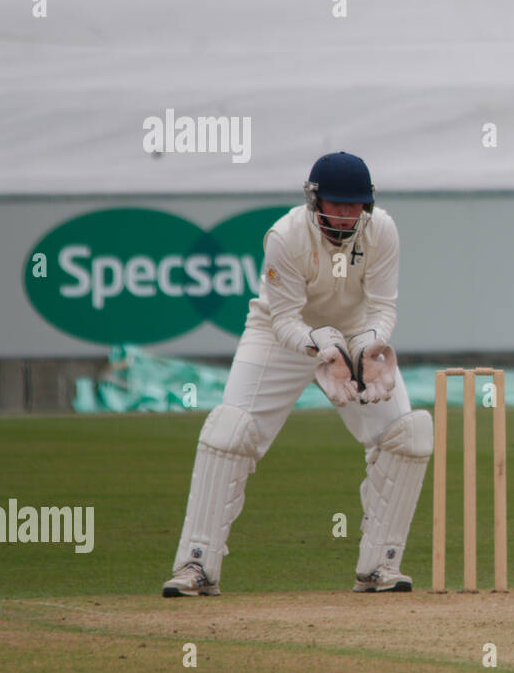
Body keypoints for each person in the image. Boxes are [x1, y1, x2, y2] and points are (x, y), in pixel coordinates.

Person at [162, 152, 433, 596]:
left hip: (353, 333)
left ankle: (380, 566)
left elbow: (383, 306)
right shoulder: (285, 236)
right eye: (336, 204)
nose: (346, 215)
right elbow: (285, 317)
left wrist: (368, 346)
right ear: (314, 200)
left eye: (355, 205)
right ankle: (196, 565)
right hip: (279, 336)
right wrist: (320, 346)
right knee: (230, 433)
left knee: (409, 436)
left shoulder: (381, 228)